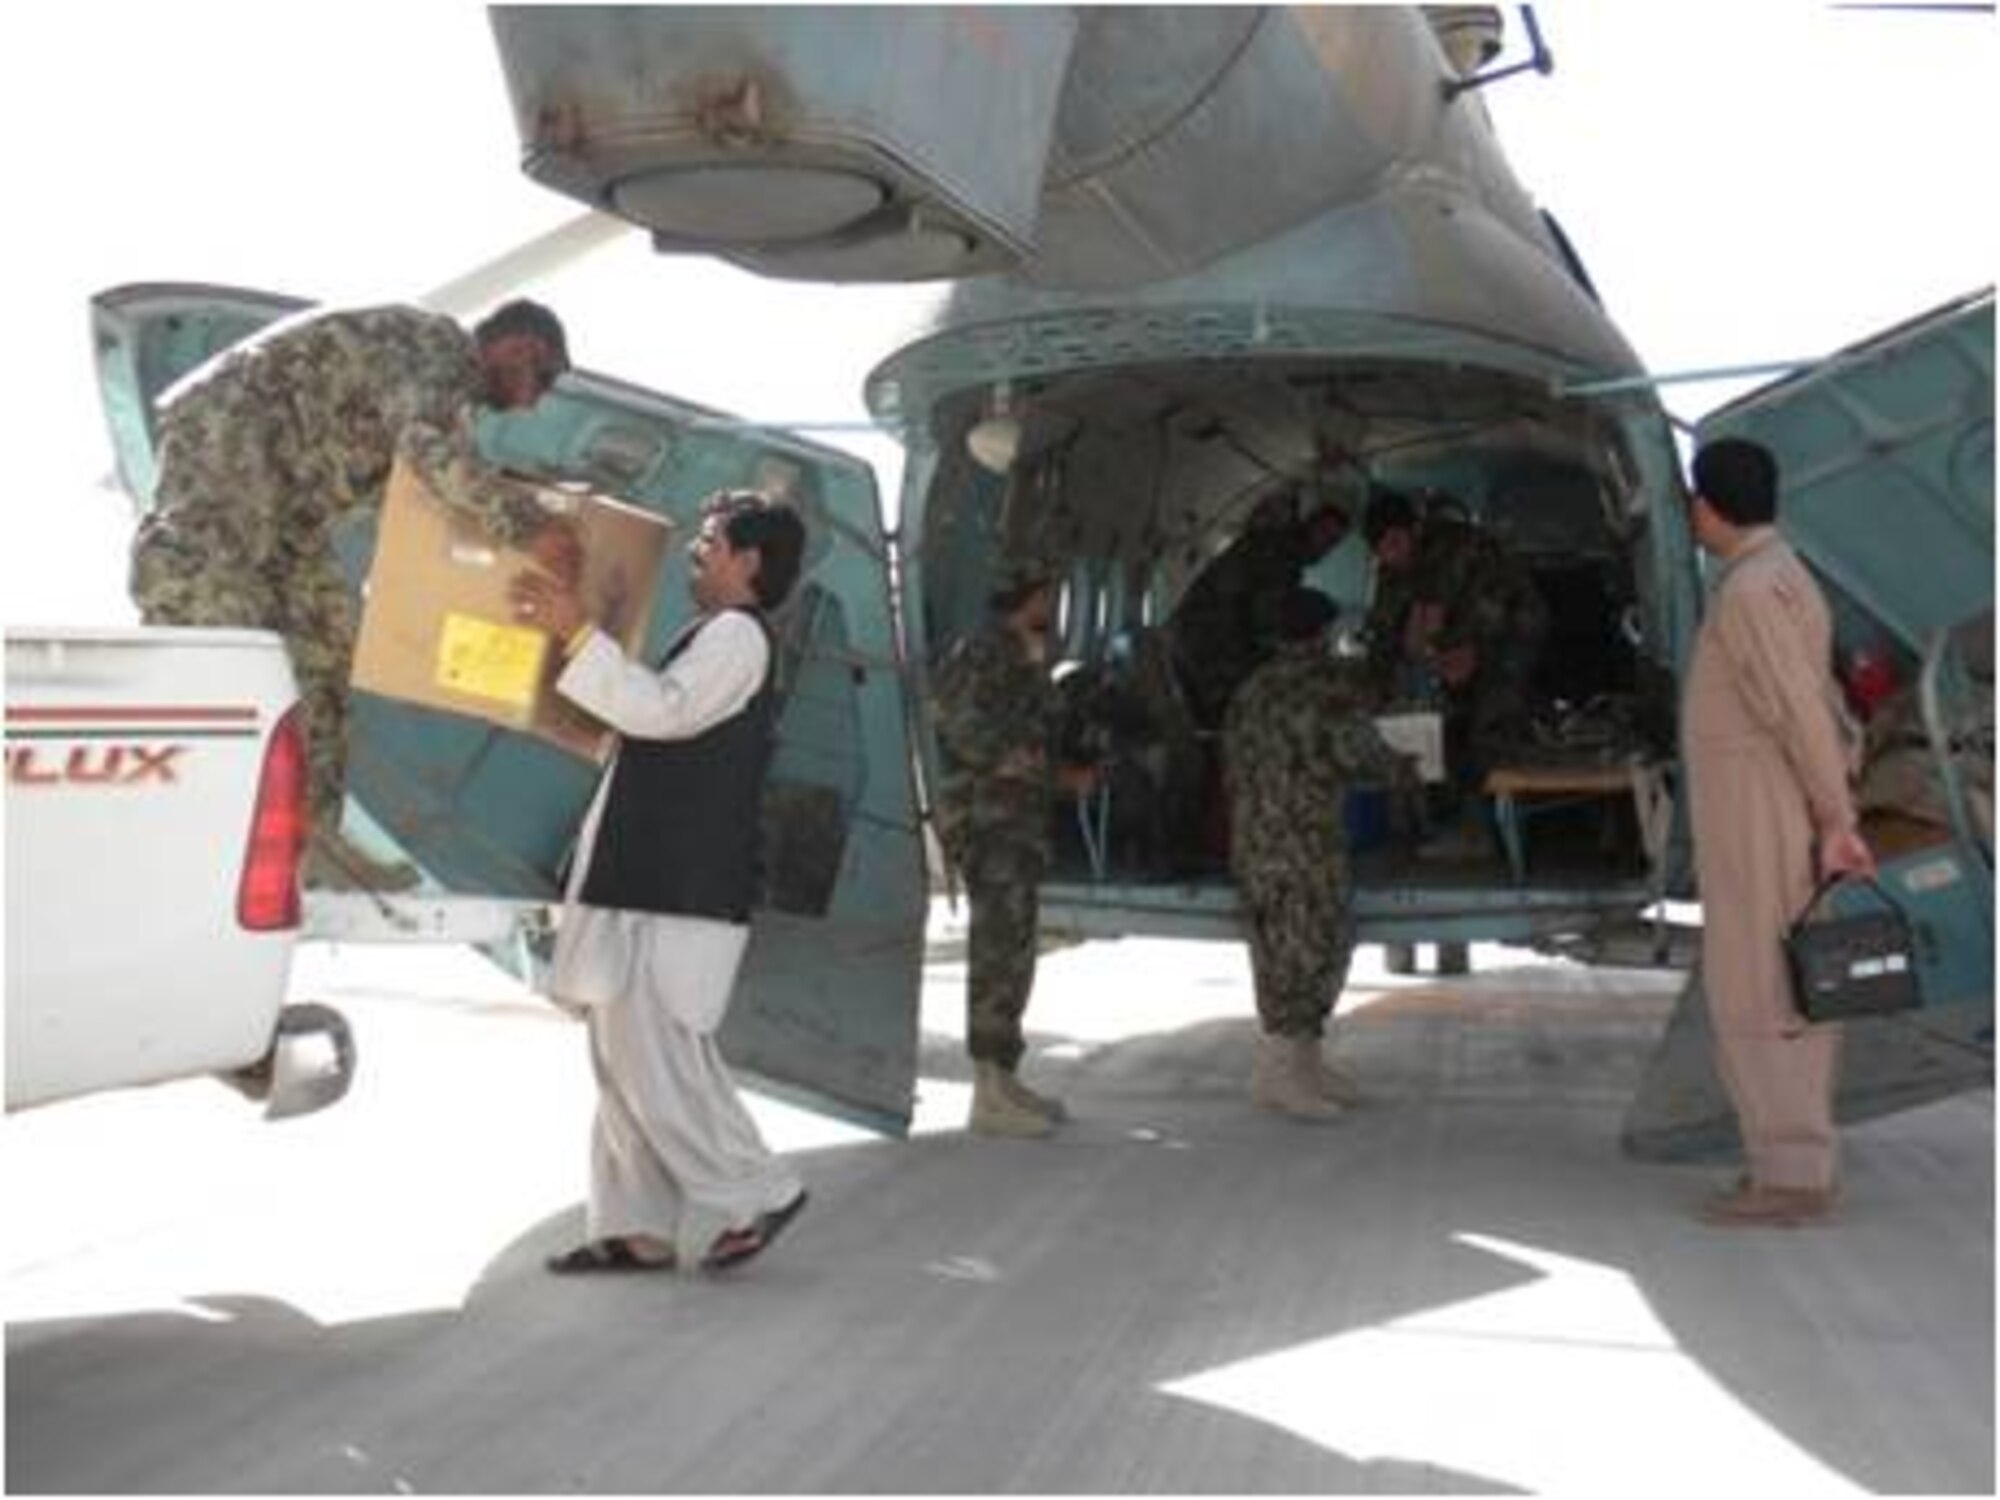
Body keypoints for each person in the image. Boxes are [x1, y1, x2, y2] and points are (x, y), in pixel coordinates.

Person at [130, 298, 576, 888]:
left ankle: (308, 840)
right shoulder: (437, 347)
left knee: (324, 648)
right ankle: (162, 811)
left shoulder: (443, 393)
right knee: (215, 614)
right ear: (518, 349)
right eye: (539, 381)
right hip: (233, 449)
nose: (532, 402)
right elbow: (427, 452)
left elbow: (420, 489)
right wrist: (530, 526)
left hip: (290, 511)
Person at [511, 489, 810, 1273]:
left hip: (677, 890)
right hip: (643, 882)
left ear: (748, 561)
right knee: (619, 1059)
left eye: (709, 540)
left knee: (657, 1061)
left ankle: (758, 1191)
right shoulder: (706, 636)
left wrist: (575, 631)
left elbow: (662, 712)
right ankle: (638, 1228)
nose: (695, 551)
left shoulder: (737, 637)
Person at [1682, 438, 1875, 1228]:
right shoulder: (1781, 572)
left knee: (1758, 989)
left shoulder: (1752, 590)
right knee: (1781, 983)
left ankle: (1791, 1175)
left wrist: (1836, 821)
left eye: (1694, 500)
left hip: (1761, 809)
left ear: (1711, 506)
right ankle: (1793, 1160)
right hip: (1767, 801)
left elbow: (1799, 712)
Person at [1223, 588, 1413, 1120]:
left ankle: (1303, 1063)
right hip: (1303, 842)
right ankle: (1281, 1071)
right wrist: (1406, 766)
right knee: (1311, 948)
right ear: (1323, 635)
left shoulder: (1250, 690)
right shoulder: (1325, 690)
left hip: (1254, 838)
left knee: (1276, 946)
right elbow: (1358, 755)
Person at [931, 565, 1096, 1138]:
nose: (1052, 605)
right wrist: (1019, 763)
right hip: (990, 823)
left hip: (1016, 825)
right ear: (1024, 600)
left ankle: (1004, 1076)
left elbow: (1033, 730)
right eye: (1047, 595)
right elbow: (956, 721)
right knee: (997, 953)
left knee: (1016, 950)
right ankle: (986, 1092)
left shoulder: (1021, 655)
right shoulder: (981, 652)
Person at [1361, 487, 1549, 792]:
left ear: (1416, 529)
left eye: (1395, 543)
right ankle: (1454, 789)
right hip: (1455, 644)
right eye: (1381, 549)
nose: (1390, 555)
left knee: (1491, 716)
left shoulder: (1466, 547)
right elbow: (1382, 635)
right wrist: (1375, 685)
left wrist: (1476, 651)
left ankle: (1506, 773)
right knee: (1437, 715)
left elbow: (1498, 609)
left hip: (1513, 630)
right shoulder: (1391, 570)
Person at [1168, 492, 1352, 731]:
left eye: (1334, 543)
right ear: (1311, 526)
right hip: (1207, 646)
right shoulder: (1280, 553)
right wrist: (1288, 655)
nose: (1327, 547)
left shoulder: (1277, 546)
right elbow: (1264, 620)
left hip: (1196, 641)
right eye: (1326, 536)